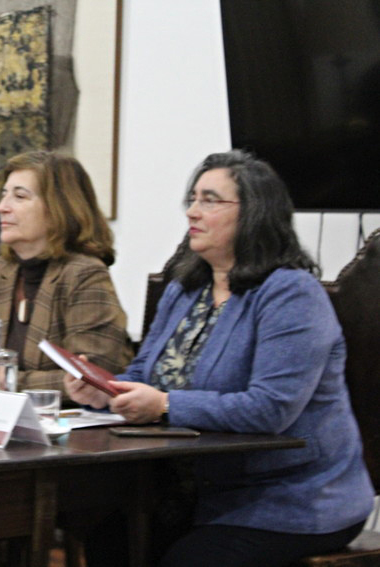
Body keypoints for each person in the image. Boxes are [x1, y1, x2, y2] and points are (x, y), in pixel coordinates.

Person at [65, 150, 374, 567]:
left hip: (291, 499)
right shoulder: (185, 288)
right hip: (195, 490)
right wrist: (103, 391)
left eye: (210, 200)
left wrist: (166, 405)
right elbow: (144, 373)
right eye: (192, 198)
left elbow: (271, 409)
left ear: (254, 214)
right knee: (109, 543)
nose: (192, 211)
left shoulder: (291, 294)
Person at [0, 150, 133, 393]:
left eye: (19, 197)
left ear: (59, 208)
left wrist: (4, 381)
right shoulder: (0, 270)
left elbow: (93, 377)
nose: (2, 207)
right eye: (3, 196)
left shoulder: (84, 274)